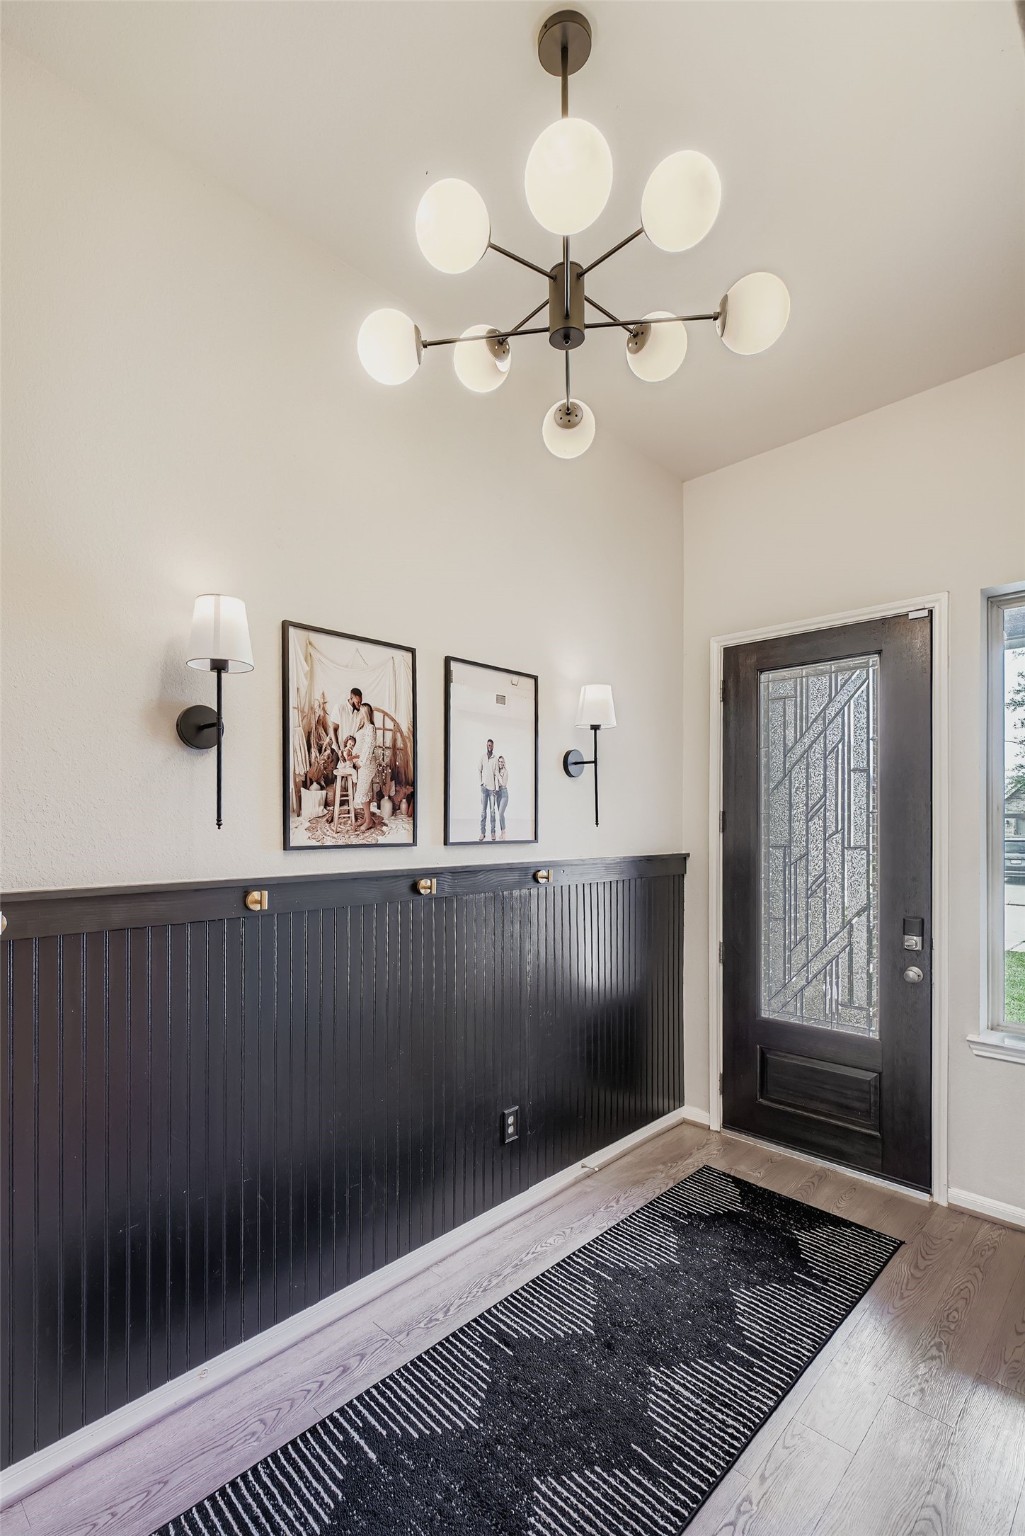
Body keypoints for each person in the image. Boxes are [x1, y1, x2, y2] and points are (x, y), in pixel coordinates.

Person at [352, 703, 379, 834]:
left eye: (362, 711)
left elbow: (369, 746)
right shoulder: (362, 726)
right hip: (362, 763)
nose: (359, 713)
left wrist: (361, 762)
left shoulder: (370, 727)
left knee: (362, 791)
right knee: (365, 792)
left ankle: (368, 821)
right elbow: (360, 746)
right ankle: (367, 818)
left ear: (366, 712)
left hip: (367, 764)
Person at [479, 738, 499, 842]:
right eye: (488, 745)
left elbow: (496, 773)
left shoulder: (495, 758)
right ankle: (482, 833)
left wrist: (497, 787)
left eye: (491, 745)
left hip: (492, 790)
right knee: (483, 812)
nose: (489, 747)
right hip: (484, 788)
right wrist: (480, 783)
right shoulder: (483, 757)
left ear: (493, 746)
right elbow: (479, 769)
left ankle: (493, 833)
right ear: (486, 746)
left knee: (492, 812)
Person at [495, 755, 509, 840]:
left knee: (501, 813)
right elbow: (495, 783)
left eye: (502, 761)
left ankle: (504, 833)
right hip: (498, 794)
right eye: (499, 761)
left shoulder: (505, 771)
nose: (500, 763)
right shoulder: (497, 771)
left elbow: (503, 783)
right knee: (500, 815)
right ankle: (501, 833)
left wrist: (498, 775)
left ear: (504, 763)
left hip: (504, 794)